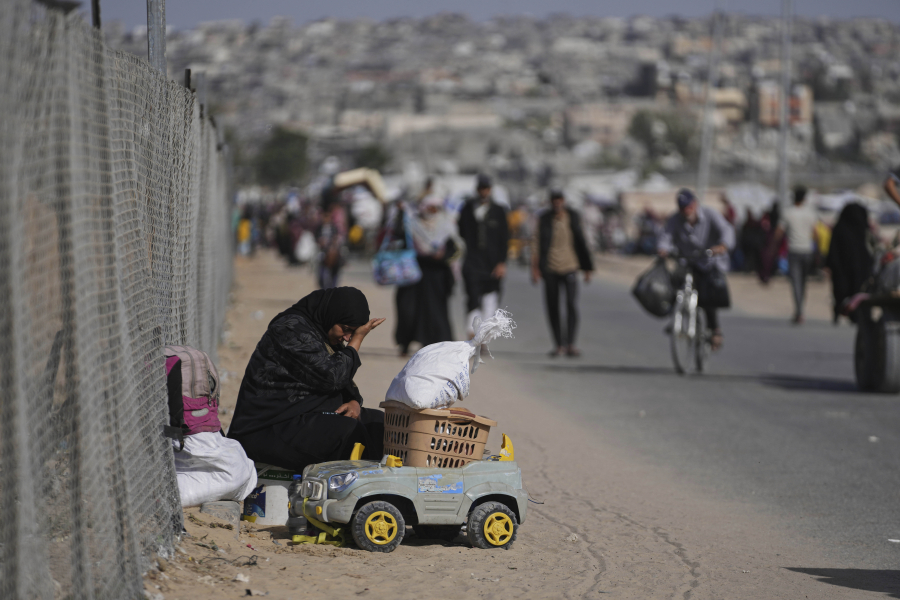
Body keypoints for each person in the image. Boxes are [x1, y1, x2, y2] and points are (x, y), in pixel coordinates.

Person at [227, 287, 386, 472]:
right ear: (331, 315)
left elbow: (344, 381)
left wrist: (353, 402)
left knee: (378, 424)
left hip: (302, 415)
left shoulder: (321, 333)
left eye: (353, 332)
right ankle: (351, 492)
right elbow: (333, 377)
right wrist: (357, 340)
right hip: (268, 428)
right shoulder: (290, 330)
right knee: (349, 432)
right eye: (346, 329)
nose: (347, 337)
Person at [658, 188, 735, 350]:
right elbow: (665, 236)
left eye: (689, 207)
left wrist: (722, 245)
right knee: (674, 284)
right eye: (683, 208)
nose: (687, 211)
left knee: (708, 297)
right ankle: (676, 318)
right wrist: (663, 249)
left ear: (695, 204)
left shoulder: (709, 214)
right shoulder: (675, 220)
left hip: (709, 262)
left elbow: (727, 230)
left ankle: (715, 329)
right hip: (687, 262)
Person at [395, 195, 463, 356]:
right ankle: (405, 342)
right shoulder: (411, 224)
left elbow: (456, 249)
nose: (432, 211)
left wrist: (443, 256)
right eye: (429, 207)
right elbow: (400, 238)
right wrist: (399, 214)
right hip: (414, 275)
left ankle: (437, 345)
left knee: (436, 311)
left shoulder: (446, 226)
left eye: (435, 208)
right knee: (408, 310)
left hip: (438, 276)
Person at [531, 190, 594, 357]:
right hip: (550, 268)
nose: (557, 203)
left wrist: (587, 268)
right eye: (554, 200)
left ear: (563, 201)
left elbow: (582, 241)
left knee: (571, 305)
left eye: (559, 200)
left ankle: (571, 344)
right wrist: (535, 268)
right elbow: (536, 244)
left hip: (570, 266)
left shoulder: (572, 217)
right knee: (553, 307)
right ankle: (558, 344)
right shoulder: (544, 219)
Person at [457, 174, 509, 336]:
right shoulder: (467, 208)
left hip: (492, 262)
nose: (483, 192)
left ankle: (485, 335)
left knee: (490, 298)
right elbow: (461, 232)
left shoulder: (499, 211)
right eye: (481, 188)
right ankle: (472, 331)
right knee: (472, 296)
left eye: (486, 188)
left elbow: (504, 238)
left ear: (490, 190)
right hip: (472, 261)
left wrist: (501, 262)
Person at [774, 186, 819, 324]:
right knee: (803, 282)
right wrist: (818, 252)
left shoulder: (788, 212)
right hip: (807, 251)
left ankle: (799, 312)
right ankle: (800, 310)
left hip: (794, 251)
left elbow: (779, 232)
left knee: (796, 282)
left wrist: (772, 248)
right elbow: (816, 233)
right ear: (804, 198)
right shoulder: (810, 213)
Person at [825, 202, 873, 324]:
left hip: (841, 269)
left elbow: (833, 250)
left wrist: (831, 265)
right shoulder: (861, 229)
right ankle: (855, 315)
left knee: (841, 291)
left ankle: (840, 312)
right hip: (859, 268)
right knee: (858, 289)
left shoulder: (840, 228)